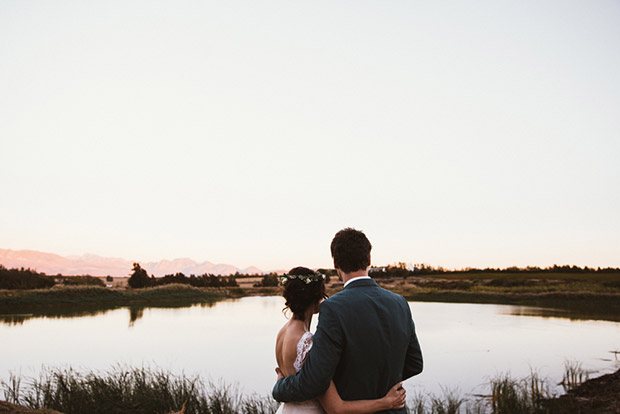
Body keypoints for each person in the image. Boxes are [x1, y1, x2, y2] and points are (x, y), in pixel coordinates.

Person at [273, 228, 423, 414]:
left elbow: (314, 380)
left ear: (336, 263)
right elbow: (415, 363)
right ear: (369, 260)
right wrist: (383, 382)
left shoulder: (333, 308)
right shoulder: (400, 302)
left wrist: (279, 387)